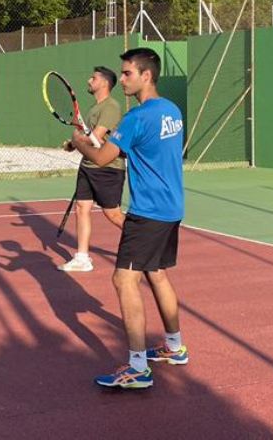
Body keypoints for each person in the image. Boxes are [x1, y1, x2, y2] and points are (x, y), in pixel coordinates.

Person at [70, 47, 188, 390]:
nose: (122, 79)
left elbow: (103, 157)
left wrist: (78, 143)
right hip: (172, 208)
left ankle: (138, 368)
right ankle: (174, 346)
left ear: (145, 75)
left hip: (148, 211)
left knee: (124, 281)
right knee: (156, 274)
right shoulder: (171, 110)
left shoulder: (137, 118)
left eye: (127, 74)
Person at [59, 66, 126, 273]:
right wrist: (73, 144)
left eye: (93, 78)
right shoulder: (94, 108)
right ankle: (82, 258)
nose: (89, 80)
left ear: (104, 83)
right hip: (87, 166)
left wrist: (76, 139)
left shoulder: (111, 107)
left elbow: (96, 137)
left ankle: (144, 243)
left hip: (107, 168)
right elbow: (85, 138)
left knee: (113, 214)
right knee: (82, 208)